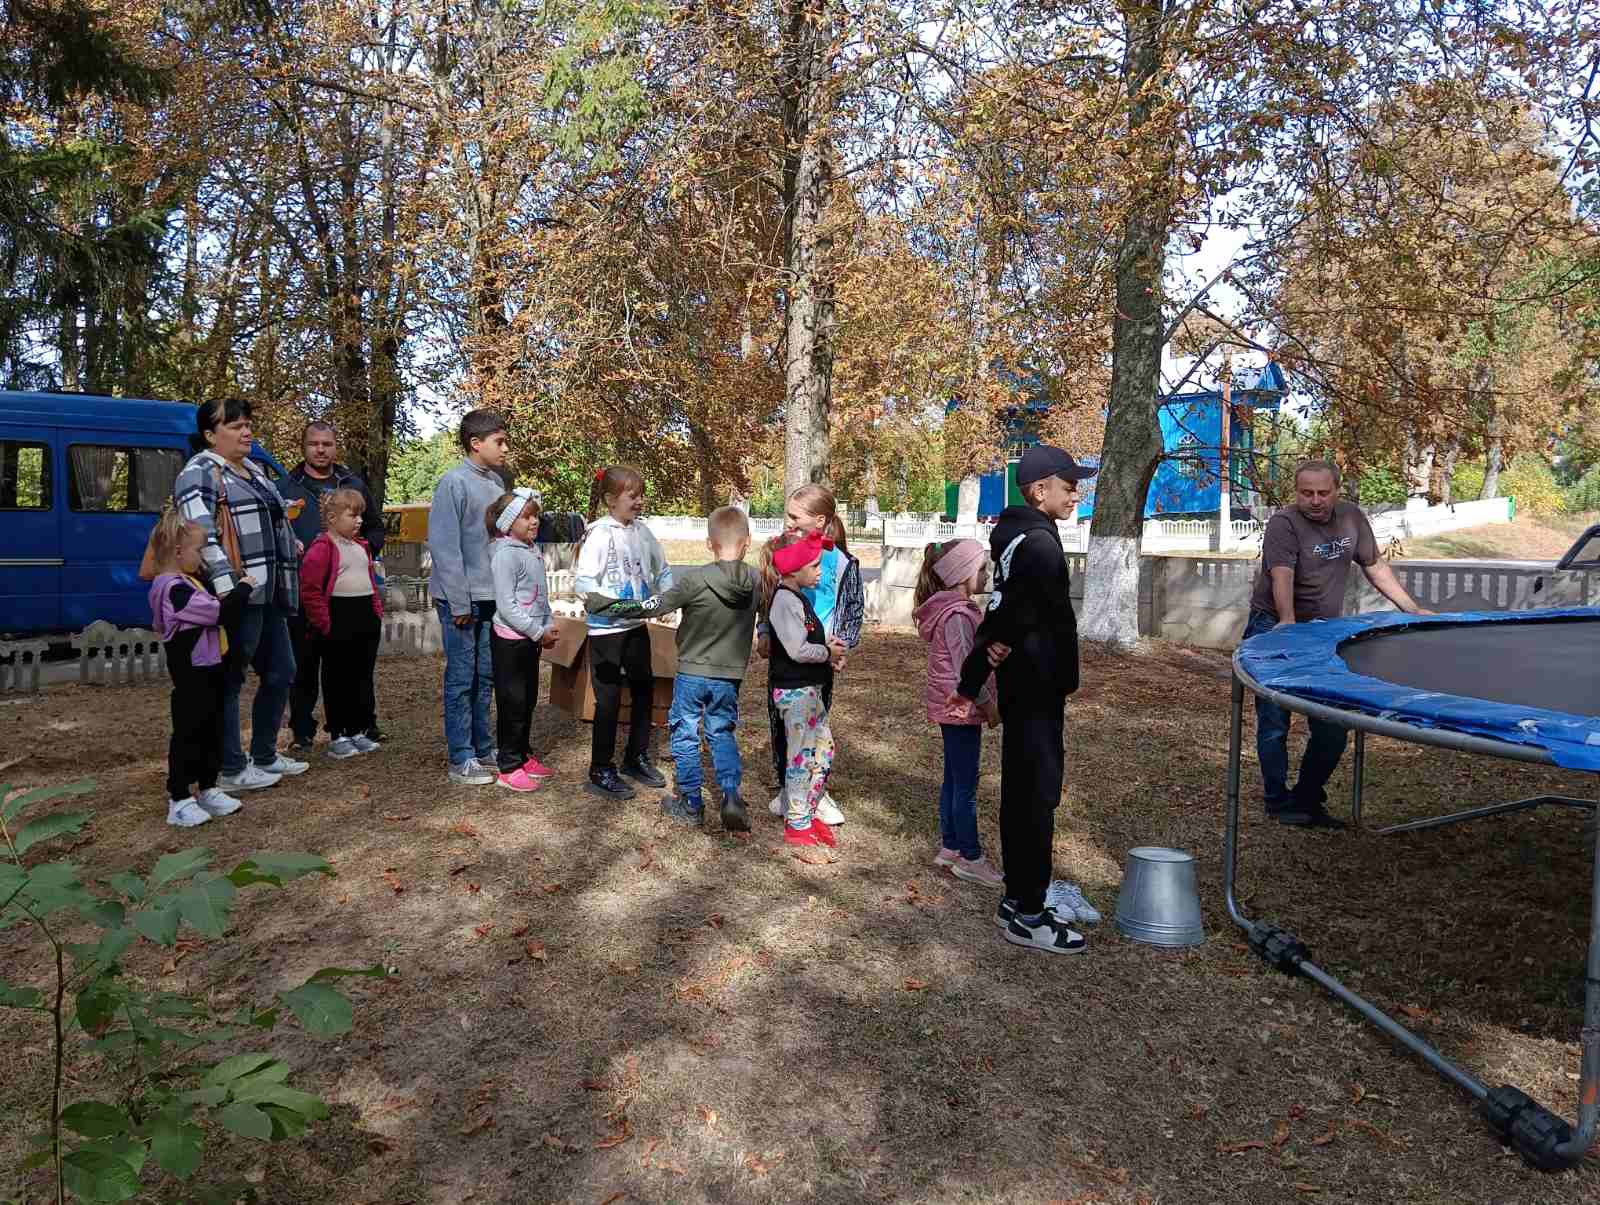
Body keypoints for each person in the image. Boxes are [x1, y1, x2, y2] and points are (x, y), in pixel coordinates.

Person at [948, 445, 1098, 956]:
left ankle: (1018, 898)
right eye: (1069, 484)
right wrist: (972, 677)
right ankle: (1029, 914)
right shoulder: (1038, 545)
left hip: (1027, 684)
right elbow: (1010, 615)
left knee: (1023, 791)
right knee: (1036, 796)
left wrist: (981, 665)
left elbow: (1003, 613)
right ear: (1040, 490)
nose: (1076, 492)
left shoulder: (1019, 537)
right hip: (1035, 688)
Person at [1244, 459, 1433, 828]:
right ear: (1296, 492)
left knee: (1333, 724)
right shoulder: (1284, 524)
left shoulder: (1351, 518)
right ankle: (1277, 801)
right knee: (1274, 722)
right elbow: (1281, 574)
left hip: (1324, 633)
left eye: (1323, 493)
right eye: (1306, 493)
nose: (1315, 500)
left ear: (1336, 490)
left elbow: (1374, 565)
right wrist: (1287, 621)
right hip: (1274, 627)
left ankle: (1307, 798)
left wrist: (1411, 608)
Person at [584, 505, 759, 832]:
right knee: (722, 731)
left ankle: (691, 802)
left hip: (692, 673)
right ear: (747, 541)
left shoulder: (695, 580)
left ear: (710, 544)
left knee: (685, 732)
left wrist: (605, 605)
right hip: (729, 675)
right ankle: (731, 794)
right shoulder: (755, 579)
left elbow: (653, 606)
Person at [172, 397, 309, 792]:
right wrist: (229, 587)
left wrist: (288, 534)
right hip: (240, 595)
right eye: (234, 425)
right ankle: (231, 768)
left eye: (247, 423)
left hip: (269, 590)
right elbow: (202, 536)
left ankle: (264, 754)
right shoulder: (198, 472)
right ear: (210, 435)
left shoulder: (252, 470)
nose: (245, 431)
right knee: (230, 682)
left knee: (281, 671)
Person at [757, 485, 864, 826]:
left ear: (819, 520)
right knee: (785, 726)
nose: (787, 522)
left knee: (817, 730)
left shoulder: (843, 561)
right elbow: (766, 596)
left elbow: (851, 609)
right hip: (786, 660)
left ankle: (815, 793)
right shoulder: (784, 553)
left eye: (794, 516)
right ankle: (789, 790)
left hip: (822, 658)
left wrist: (840, 649)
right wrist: (763, 632)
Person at [146, 505, 255, 827]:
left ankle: (208, 786)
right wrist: (245, 587)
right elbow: (218, 613)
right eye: (198, 549)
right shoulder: (173, 589)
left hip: (211, 670)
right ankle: (179, 797)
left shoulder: (189, 580)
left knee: (213, 728)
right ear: (179, 552)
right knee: (189, 733)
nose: (203, 556)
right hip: (192, 676)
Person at [283, 422, 385, 753]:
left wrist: (357, 547)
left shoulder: (353, 484)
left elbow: (374, 527)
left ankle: (362, 724)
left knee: (355, 667)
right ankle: (302, 730)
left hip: (350, 594)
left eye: (327, 443)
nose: (321, 449)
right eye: (314, 443)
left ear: (335, 446)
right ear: (304, 447)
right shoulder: (286, 486)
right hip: (307, 592)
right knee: (305, 666)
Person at [573, 465, 673, 800]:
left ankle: (636, 757)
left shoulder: (642, 532)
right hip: (606, 632)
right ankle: (601, 768)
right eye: (634, 496)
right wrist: (608, 606)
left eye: (642, 495)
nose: (640, 501)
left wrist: (667, 598)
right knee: (609, 699)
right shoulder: (599, 533)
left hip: (636, 627)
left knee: (644, 689)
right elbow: (585, 584)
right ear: (610, 500)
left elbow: (663, 569)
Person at [912, 538, 1004, 887]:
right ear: (962, 574)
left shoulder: (947, 611)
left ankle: (950, 846)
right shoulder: (960, 615)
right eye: (981, 569)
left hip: (950, 708)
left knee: (953, 778)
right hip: (961, 709)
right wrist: (989, 705)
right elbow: (969, 670)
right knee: (964, 785)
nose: (986, 574)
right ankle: (970, 856)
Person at [427, 409, 510, 786]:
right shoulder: (453, 484)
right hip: (460, 600)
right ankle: (460, 757)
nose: (505, 448)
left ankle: (481, 747)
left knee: (485, 677)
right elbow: (445, 548)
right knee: (462, 678)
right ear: (476, 444)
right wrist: (460, 603)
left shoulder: (497, 483)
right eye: (499, 441)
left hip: (491, 597)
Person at [765, 530, 849, 849]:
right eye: (814, 565)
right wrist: (827, 654)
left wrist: (828, 650)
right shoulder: (784, 600)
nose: (819, 572)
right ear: (794, 568)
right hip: (794, 693)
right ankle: (797, 821)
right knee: (800, 755)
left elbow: (808, 642)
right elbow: (797, 649)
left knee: (823, 750)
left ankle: (808, 810)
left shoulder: (798, 599)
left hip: (810, 690)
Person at [299, 488, 384, 760]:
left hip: (365, 617)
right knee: (338, 679)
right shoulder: (322, 547)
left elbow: (370, 582)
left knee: (361, 676)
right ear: (333, 518)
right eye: (353, 515)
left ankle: (358, 729)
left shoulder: (362, 547)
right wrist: (324, 622)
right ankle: (338, 734)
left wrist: (376, 612)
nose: (359, 521)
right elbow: (310, 589)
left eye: (361, 515)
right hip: (338, 617)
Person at [487, 488, 559, 793]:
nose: (534, 521)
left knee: (527, 699)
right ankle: (508, 765)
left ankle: (523, 753)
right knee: (512, 702)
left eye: (536, 516)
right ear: (508, 521)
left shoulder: (531, 550)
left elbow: (539, 597)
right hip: (510, 640)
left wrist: (548, 624)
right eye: (526, 516)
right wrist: (537, 630)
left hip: (530, 637)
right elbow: (507, 605)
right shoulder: (505, 554)